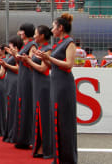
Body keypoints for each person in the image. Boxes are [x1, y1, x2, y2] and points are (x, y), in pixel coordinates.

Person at [36, 13, 77, 164]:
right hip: (56, 83)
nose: (52, 30)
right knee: (57, 120)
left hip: (64, 85)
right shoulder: (59, 44)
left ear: (60, 28)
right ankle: (58, 157)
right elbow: (52, 65)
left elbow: (68, 65)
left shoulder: (69, 43)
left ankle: (67, 159)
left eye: (54, 27)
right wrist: (42, 58)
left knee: (64, 121)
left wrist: (48, 58)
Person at [21, 25, 53, 159]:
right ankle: (38, 145)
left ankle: (44, 147)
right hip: (37, 82)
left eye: (36, 34)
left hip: (43, 84)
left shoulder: (48, 49)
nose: (34, 36)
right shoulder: (39, 49)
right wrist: (26, 60)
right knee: (38, 115)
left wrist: (28, 61)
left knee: (43, 116)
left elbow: (43, 69)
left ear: (42, 35)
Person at [11, 23, 37, 149]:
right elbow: (20, 61)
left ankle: (27, 138)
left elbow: (30, 62)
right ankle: (21, 137)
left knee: (26, 105)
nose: (19, 33)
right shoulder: (26, 45)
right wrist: (16, 55)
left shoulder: (32, 45)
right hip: (22, 76)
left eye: (21, 31)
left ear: (25, 32)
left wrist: (18, 56)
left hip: (28, 77)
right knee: (21, 105)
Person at [0, 36, 22, 143]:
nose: (9, 47)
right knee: (10, 106)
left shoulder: (18, 54)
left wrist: (6, 64)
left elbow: (18, 68)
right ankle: (9, 132)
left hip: (15, 80)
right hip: (10, 80)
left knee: (13, 106)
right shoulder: (12, 54)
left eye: (11, 45)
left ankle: (13, 132)